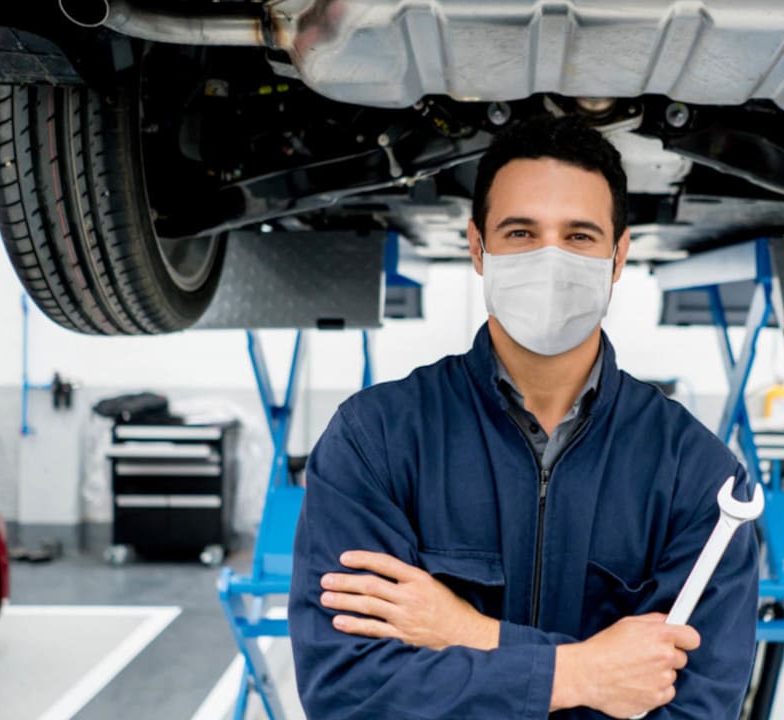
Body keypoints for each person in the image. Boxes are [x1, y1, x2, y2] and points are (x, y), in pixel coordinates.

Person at [289, 115, 758, 719]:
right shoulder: (374, 441)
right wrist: (582, 673)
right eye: (520, 233)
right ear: (478, 247)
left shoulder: (700, 478)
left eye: (580, 236)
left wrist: (471, 634)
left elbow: (693, 710)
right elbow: (348, 693)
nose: (551, 259)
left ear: (618, 256)